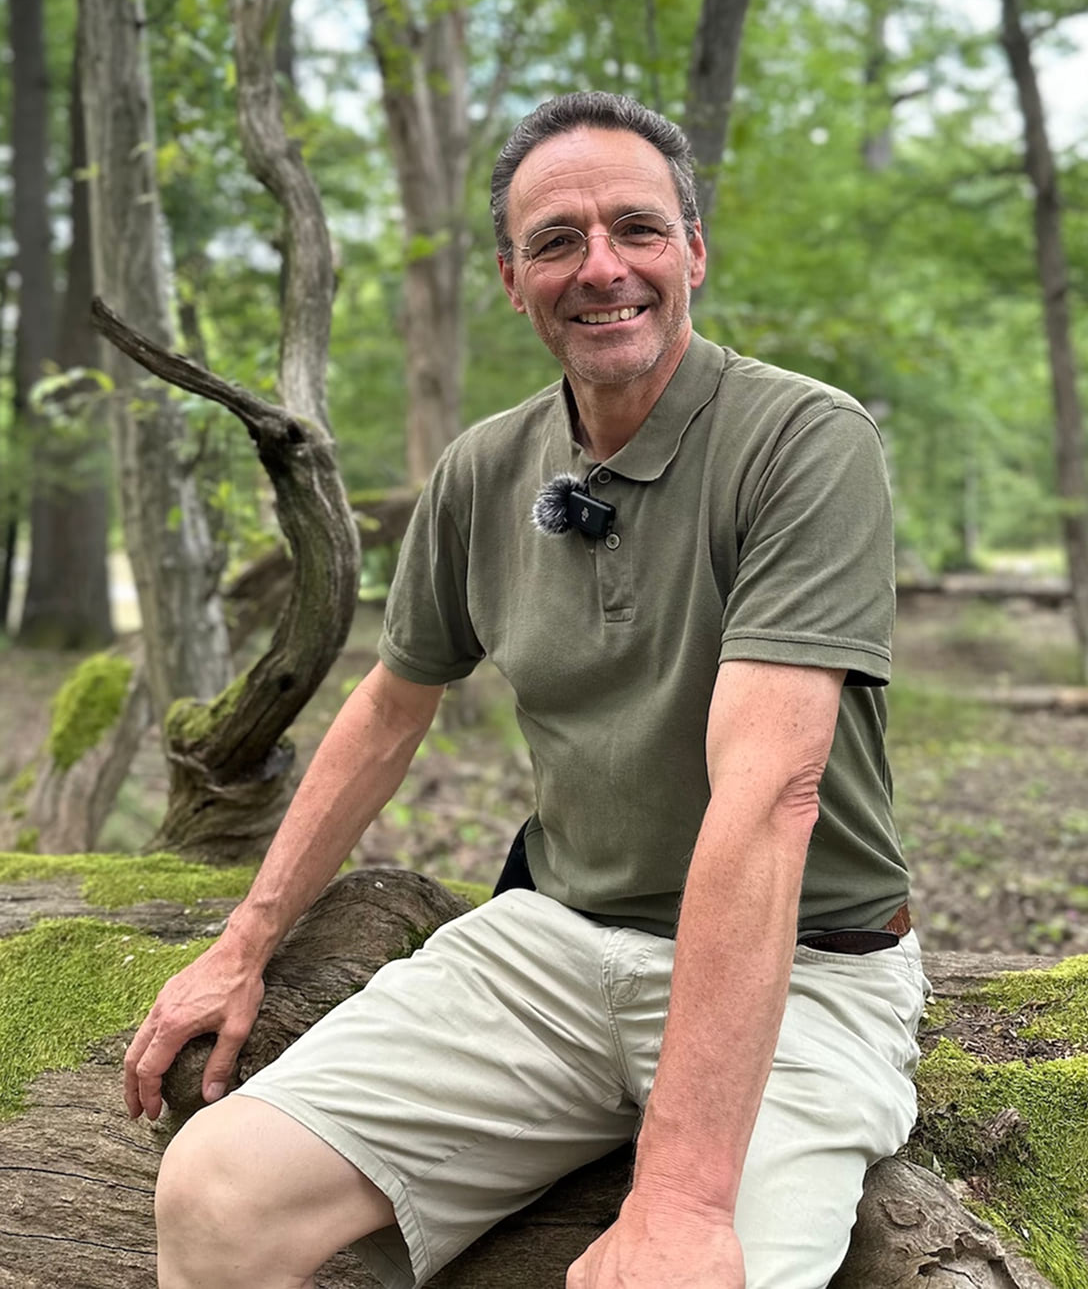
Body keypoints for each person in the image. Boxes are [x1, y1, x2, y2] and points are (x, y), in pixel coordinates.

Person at [131, 91, 926, 1289]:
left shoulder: (802, 442)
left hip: (802, 970)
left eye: (636, 229)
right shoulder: (483, 470)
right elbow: (388, 711)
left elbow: (770, 795)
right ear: (513, 279)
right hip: (554, 945)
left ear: (692, 251)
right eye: (557, 240)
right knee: (215, 1195)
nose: (601, 267)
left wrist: (677, 1197)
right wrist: (241, 944)